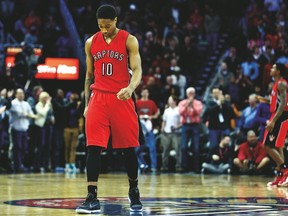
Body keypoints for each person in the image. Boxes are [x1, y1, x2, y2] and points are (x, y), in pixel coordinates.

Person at [76, 5, 143, 214]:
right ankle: (91, 196)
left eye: (107, 25)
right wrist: (87, 105)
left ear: (115, 20)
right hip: (99, 98)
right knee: (93, 147)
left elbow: (138, 69)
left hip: (121, 97)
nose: (104, 29)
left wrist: (131, 87)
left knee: (128, 148)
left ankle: (134, 190)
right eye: (100, 26)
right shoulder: (90, 42)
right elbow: (88, 76)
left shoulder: (129, 40)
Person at [263, 63, 288, 187]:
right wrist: (265, 100)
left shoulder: (282, 83)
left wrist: (273, 121)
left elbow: (283, 104)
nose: (271, 69)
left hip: (280, 116)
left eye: (273, 68)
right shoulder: (277, 84)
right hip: (277, 115)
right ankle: (280, 176)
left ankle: (285, 170)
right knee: (278, 146)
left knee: (267, 145)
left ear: (278, 71)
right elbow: (277, 102)